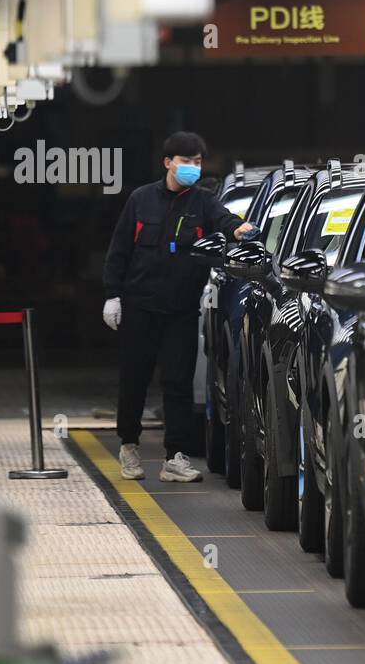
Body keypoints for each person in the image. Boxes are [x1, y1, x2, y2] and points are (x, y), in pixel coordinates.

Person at [102, 132, 256, 481]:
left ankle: (175, 456)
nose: (193, 168)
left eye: (198, 162)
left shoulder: (202, 202)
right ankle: (129, 448)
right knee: (134, 380)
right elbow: (119, 250)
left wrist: (240, 230)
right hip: (139, 307)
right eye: (186, 161)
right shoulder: (140, 201)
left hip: (181, 310)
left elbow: (225, 220)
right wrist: (112, 295)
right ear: (168, 162)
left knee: (178, 383)